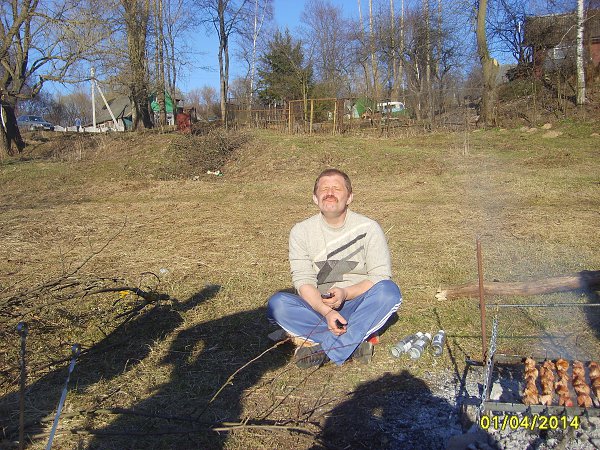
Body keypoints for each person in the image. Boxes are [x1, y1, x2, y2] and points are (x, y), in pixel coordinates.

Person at [267, 168, 402, 368]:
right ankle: (352, 342)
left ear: (349, 197)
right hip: (318, 308)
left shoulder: (369, 228)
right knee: (277, 304)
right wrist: (327, 312)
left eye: (337, 189)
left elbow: (380, 276)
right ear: (315, 198)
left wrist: (346, 293)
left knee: (389, 292)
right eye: (324, 189)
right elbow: (303, 281)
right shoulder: (300, 231)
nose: (330, 193)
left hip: (359, 303)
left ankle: (323, 350)